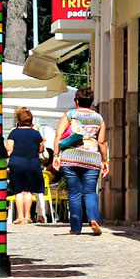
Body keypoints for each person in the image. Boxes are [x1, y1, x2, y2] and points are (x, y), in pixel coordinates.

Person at [54, 87, 109, 235]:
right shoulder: (99, 118)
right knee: (90, 192)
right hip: (92, 159)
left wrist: (56, 156)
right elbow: (102, 142)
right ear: (91, 102)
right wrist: (105, 161)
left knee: (74, 193)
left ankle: (75, 228)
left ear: (77, 100)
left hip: (70, 158)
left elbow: (59, 136)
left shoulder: (69, 115)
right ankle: (93, 219)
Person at [5, 108, 47, 225]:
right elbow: (41, 149)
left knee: (18, 191)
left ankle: (20, 216)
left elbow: (9, 148)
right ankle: (28, 216)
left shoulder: (14, 132)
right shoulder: (36, 133)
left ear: (19, 120)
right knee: (28, 191)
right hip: (32, 163)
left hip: (17, 163)